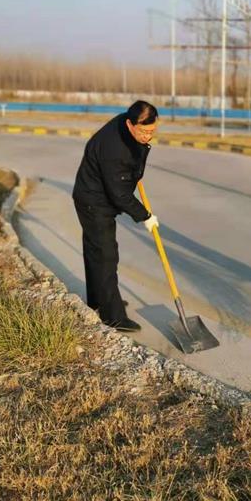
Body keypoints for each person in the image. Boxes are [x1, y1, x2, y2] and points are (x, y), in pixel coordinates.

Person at [72, 100, 160, 332]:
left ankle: (99, 300)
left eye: (152, 131)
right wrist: (145, 216)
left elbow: (128, 166)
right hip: (94, 201)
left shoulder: (126, 124)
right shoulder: (114, 149)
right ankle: (113, 316)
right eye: (144, 132)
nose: (148, 136)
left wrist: (135, 170)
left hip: (96, 194)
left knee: (96, 252)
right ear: (130, 124)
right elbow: (119, 194)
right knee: (106, 255)